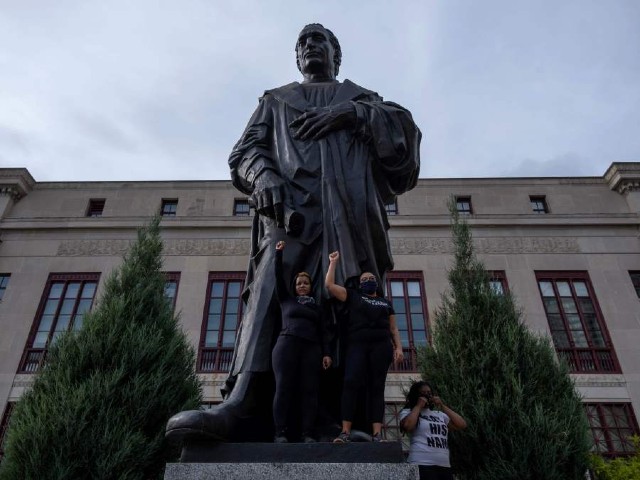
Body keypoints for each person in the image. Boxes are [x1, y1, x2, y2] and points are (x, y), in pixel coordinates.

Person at [166, 23, 420, 443]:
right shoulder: (276, 101)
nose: (310, 46)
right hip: (290, 216)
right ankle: (245, 402)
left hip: (350, 221)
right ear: (297, 57)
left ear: (337, 54)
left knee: (345, 307)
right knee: (272, 298)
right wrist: (264, 176)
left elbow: (403, 151)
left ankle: (341, 420)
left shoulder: (363, 99)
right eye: (302, 42)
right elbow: (245, 152)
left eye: (319, 40)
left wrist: (354, 114)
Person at [325, 250, 404, 442]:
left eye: (371, 278)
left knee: (377, 387)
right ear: (360, 284)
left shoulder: (385, 303)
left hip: (381, 346)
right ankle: (345, 431)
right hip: (357, 345)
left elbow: (393, 328)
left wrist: (399, 348)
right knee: (351, 382)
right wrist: (333, 262)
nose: (368, 280)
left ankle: (377, 434)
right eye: (364, 279)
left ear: (376, 283)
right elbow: (329, 285)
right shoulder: (353, 296)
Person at [272, 240, 332, 443]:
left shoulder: (317, 307)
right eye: (299, 284)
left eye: (305, 283)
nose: (302, 286)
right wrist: (278, 254)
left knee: (310, 391)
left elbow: (324, 331)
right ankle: (280, 432)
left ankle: (307, 433)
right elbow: (278, 278)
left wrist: (326, 353)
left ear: (310, 286)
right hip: (286, 346)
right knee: (283, 388)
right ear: (295, 287)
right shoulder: (286, 300)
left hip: (311, 349)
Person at [399, 381, 467, 480]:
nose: (427, 395)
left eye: (429, 393)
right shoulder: (409, 412)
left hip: (443, 465)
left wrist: (442, 405)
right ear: (416, 395)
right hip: (421, 464)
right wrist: (418, 406)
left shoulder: (439, 414)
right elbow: (408, 426)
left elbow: (462, 424)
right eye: (423, 393)